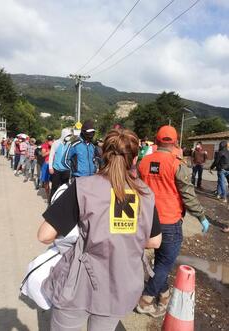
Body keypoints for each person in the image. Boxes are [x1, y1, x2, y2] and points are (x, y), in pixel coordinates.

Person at [37, 129, 162, 331]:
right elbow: (155, 241)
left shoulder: (83, 186)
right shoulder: (146, 193)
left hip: (79, 285)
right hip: (120, 286)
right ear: (133, 160)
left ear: (102, 155)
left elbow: (44, 235)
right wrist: (121, 236)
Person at [137, 125, 210, 317]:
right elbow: (188, 195)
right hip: (169, 222)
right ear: (176, 142)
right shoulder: (177, 164)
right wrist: (202, 216)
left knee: (161, 263)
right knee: (164, 263)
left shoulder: (143, 162)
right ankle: (145, 300)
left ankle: (164, 296)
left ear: (156, 140)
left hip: (147, 221)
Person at [48, 128, 73, 201]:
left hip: (66, 170)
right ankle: (51, 203)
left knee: (64, 188)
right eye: (68, 135)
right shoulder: (56, 143)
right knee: (54, 187)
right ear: (64, 135)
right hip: (56, 169)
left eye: (70, 135)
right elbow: (51, 155)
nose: (69, 137)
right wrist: (50, 167)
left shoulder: (70, 144)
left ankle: (61, 204)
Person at [41, 134, 54, 201]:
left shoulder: (56, 145)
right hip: (46, 165)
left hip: (54, 165)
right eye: (48, 140)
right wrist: (50, 150)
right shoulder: (45, 145)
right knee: (46, 182)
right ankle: (48, 196)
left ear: (53, 140)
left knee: (54, 182)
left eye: (51, 140)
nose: (50, 141)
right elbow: (43, 154)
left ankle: (53, 196)